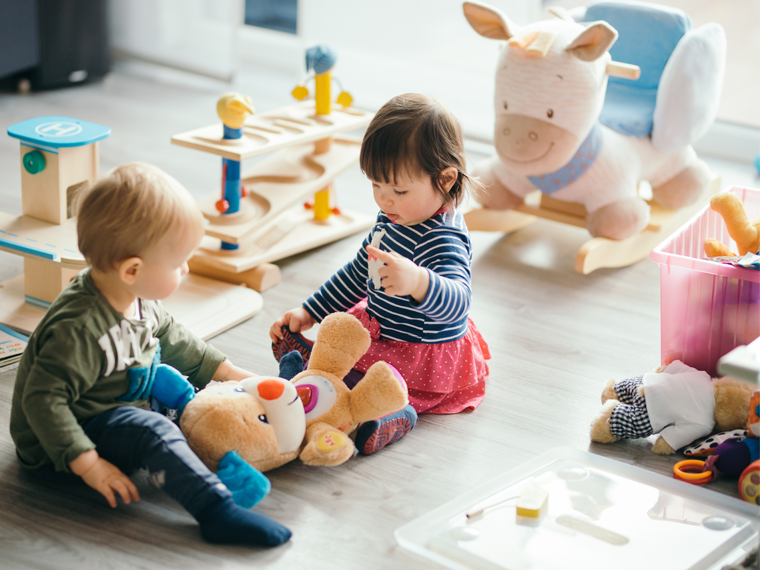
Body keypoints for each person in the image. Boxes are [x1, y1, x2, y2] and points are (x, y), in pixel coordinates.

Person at [10, 163, 290, 547]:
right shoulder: (78, 329)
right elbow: (42, 401)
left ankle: (224, 459)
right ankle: (215, 510)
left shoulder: (135, 296)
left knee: (190, 402)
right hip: (60, 440)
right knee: (155, 430)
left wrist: (236, 375)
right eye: (178, 264)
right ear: (132, 269)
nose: (186, 268)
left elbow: (174, 337)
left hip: (116, 400)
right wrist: (88, 464)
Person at [271, 93, 491, 454]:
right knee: (344, 347)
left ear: (446, 180)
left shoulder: (443, 238)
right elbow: (359, 273)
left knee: (380, 386)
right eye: (376, 185)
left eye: (399, 190)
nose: (384, 200)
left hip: (420, 352)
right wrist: (309, 311)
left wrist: (419, 282)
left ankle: (392, 416)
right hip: (381, 328)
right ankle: (310, 372)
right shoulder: (392, 218)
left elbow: (459, 303)